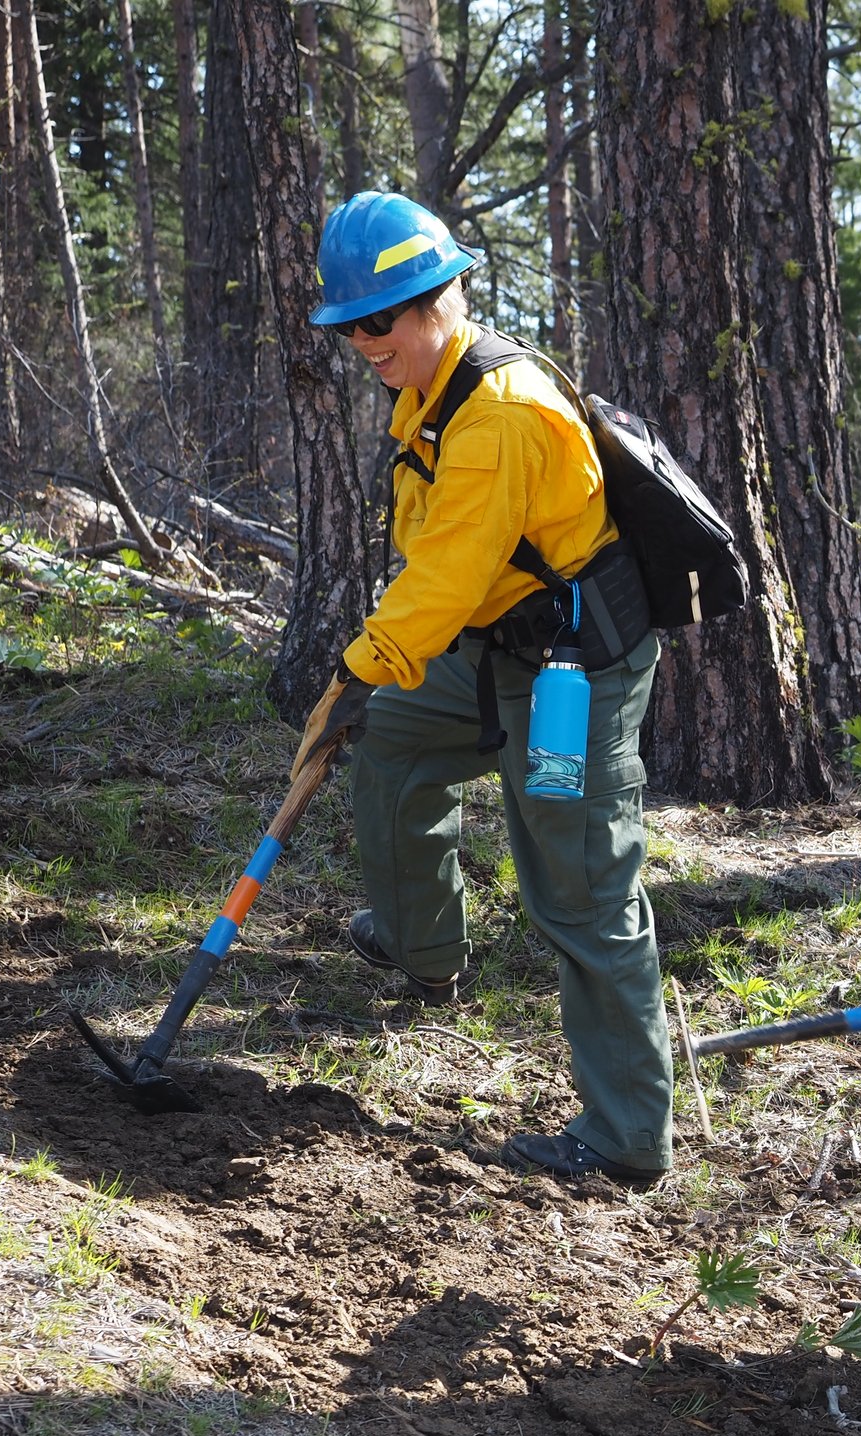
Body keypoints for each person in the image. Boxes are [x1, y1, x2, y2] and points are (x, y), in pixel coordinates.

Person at [287, 192, 674, 1189]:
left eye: (378, 322)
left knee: (578, 883)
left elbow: (446, 574)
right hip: (498, 645)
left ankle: (625, 1136)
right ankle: (425, 950)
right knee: (398, 741)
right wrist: (375, 683)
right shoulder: (432, 381)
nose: (364, 344)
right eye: (349, 328)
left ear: (435, 300)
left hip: (572, 676)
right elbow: (445, 568)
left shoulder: (495, 412)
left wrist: (359, 666)